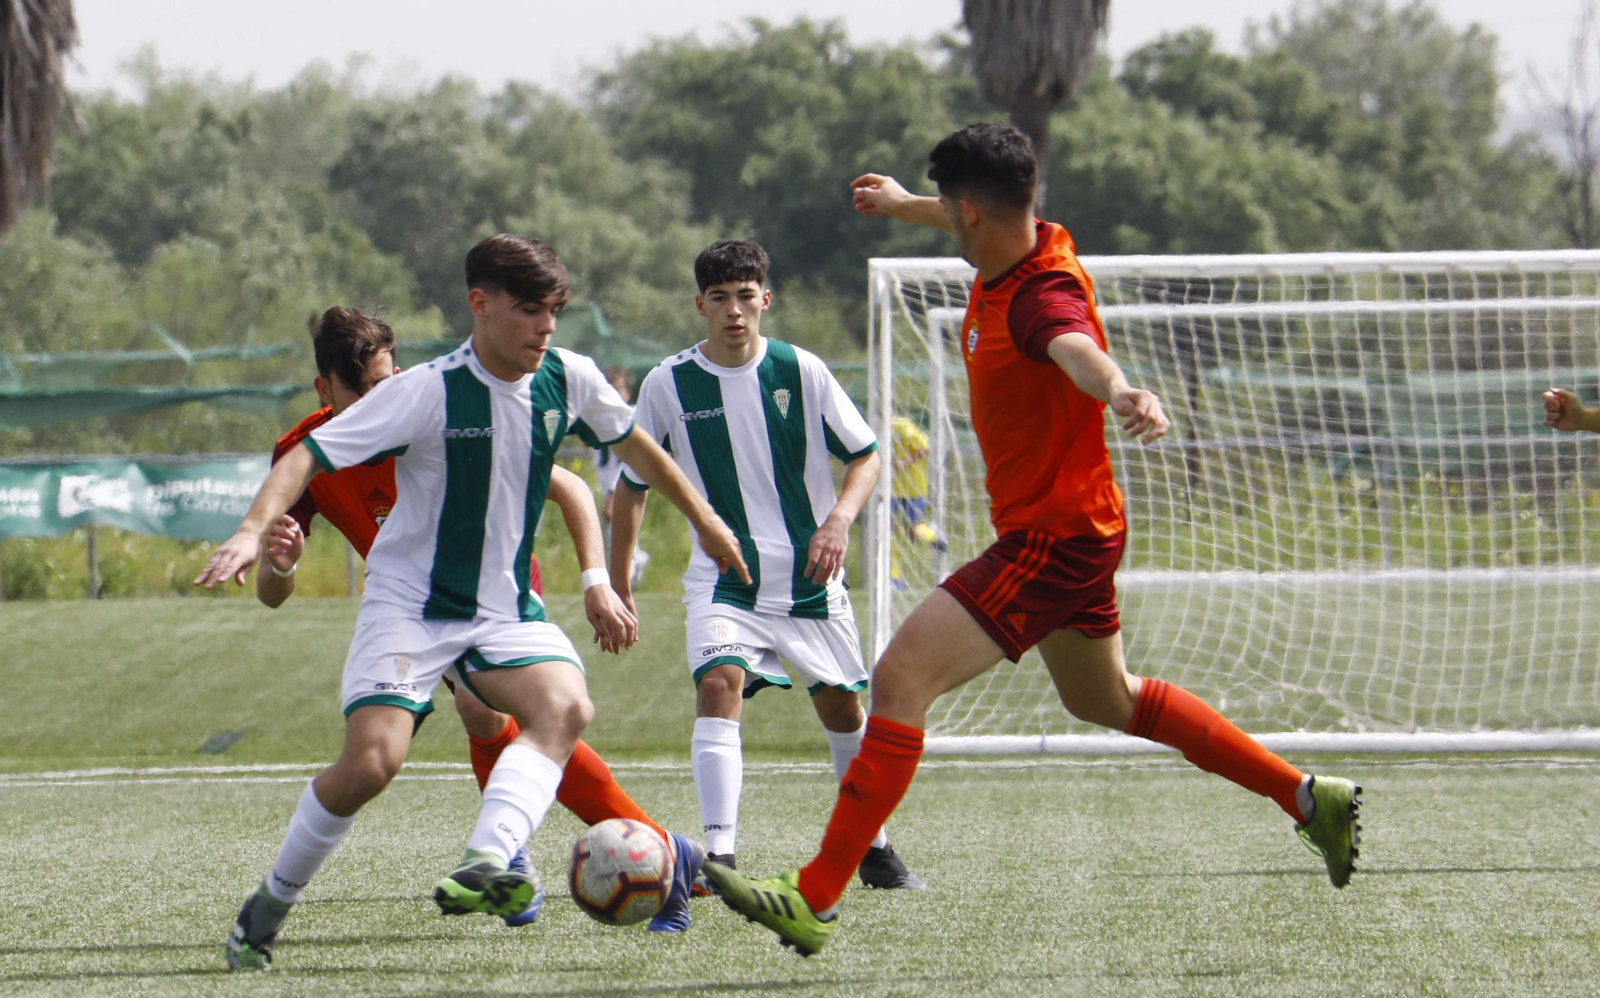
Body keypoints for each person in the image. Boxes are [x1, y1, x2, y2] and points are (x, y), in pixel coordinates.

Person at [703, 124, 1363, 956]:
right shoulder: (1025, 241)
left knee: (900, 676)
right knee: (1105, 699)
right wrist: (906, 204)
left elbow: (1076, 348)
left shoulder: (1036, 295)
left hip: (1053, 536)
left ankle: (815, 895)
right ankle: (1307, 797)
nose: (944, 216)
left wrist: (1121, 388)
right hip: (1081, 526)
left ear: (971, 211)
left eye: (947, 206)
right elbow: (977, 227)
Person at [196, 234, 750, 971]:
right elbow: (303, 460)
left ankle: (492, 860)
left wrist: (703, 522)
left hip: (500, 605)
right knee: (372, 763)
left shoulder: (567, 377)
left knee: (563, 706)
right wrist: (251, 535)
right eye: (529, 312)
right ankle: (266, 908)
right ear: (479, 306)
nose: (545, 328)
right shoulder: (422, 393)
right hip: (409, 606)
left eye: (553, 312)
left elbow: (636, 452)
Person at [255, 305, 698, 939]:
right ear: (325, 391)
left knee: (489, 712)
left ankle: (516, 858)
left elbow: (569, 488)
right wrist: (283, 565)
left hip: (496, 587)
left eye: (388, 382)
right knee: (499, 723)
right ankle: (650, 849)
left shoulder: (431, 411)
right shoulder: (309, 452)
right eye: (362, 391)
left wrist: (596, 583)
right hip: (415, 604)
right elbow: (272, 594)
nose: (381, 399)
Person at [609, 239, 925, 892]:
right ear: (700, 305)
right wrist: (618, 586)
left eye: (745, 297)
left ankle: (876, 849)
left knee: (842, 710)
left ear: (765, 301)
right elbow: (631, 487)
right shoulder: (667, 384)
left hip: (809, 583)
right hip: (725, 581)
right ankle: (719, 858)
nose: (733, 311)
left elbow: (866, 455)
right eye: (719, 298)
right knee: (719, 682)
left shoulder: (801, 369)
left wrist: (839, 519)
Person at [594, 365, 649, 589]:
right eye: (610, 389)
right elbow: (601, 457)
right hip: (607, 481)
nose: (614, 395)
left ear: (627, 393)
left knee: (618, 524)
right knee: (610, 529)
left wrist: (613, 491)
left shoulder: (633, 416)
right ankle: (628, 566)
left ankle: (629, 568)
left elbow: (627, 456)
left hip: (625, 479)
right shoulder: (601, 417)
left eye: (618, 389)